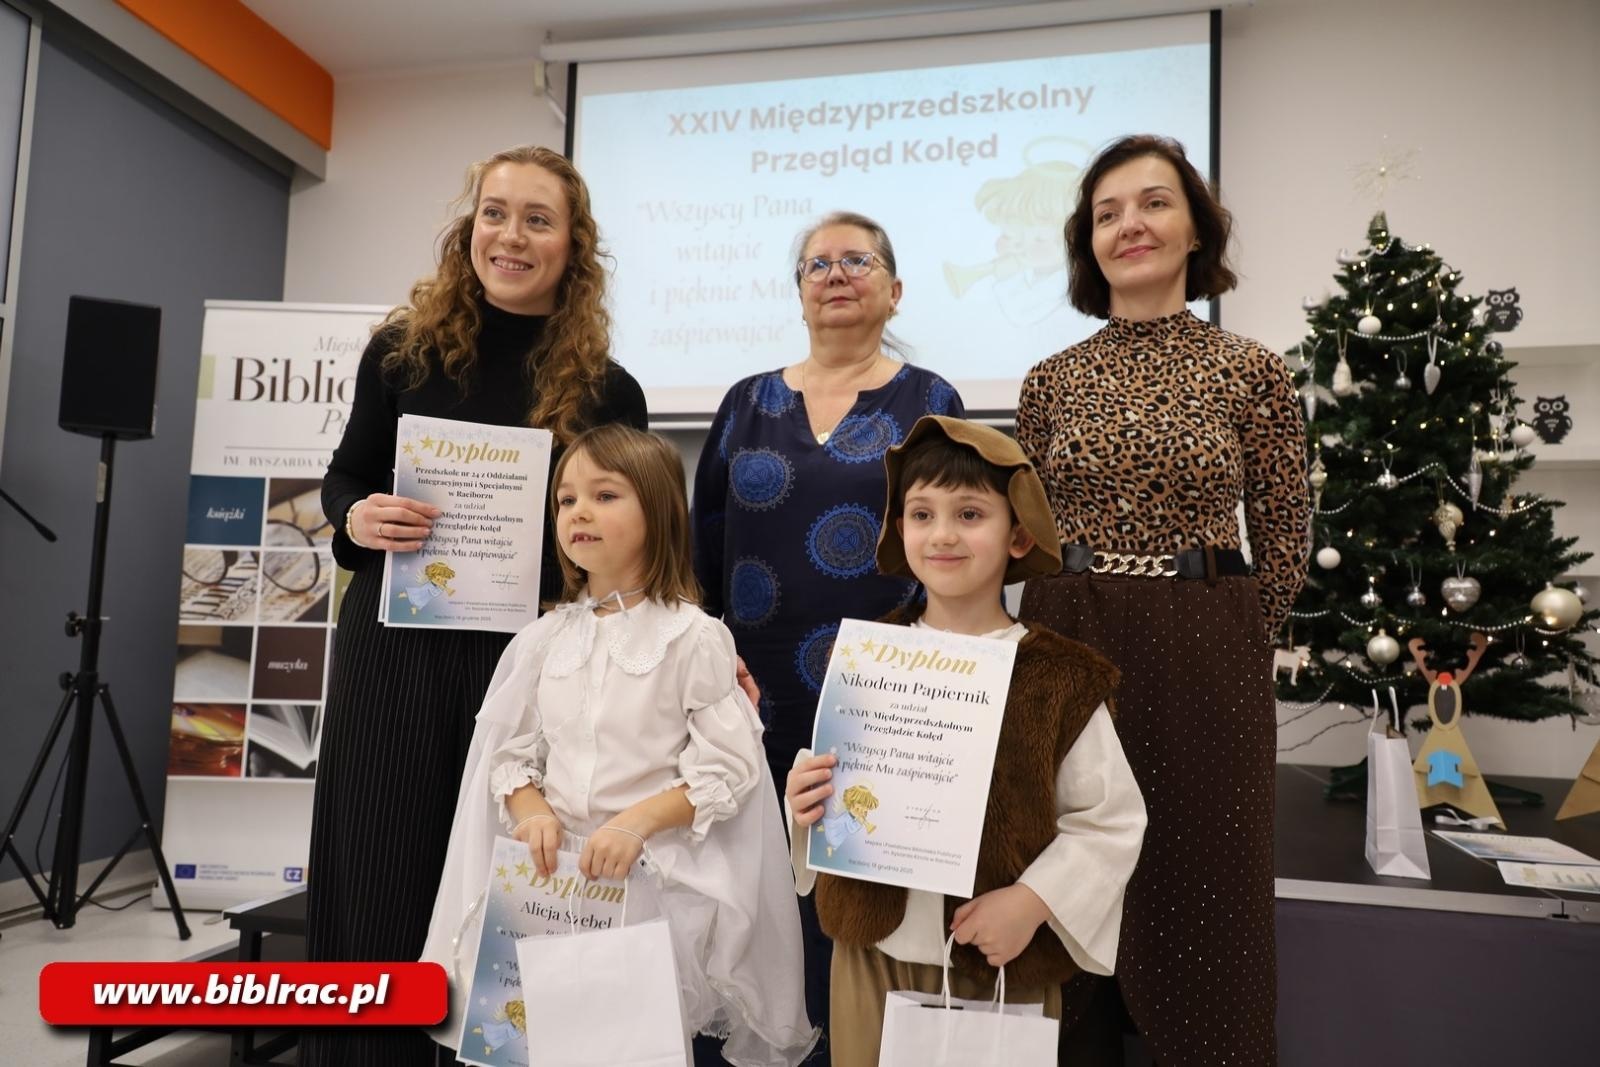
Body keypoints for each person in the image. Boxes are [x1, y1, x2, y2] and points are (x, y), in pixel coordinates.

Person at [307, 145, 648, 1067]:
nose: (511, 235)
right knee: (379, 876)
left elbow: (629, 541)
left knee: (514, 891)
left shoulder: (610, 390)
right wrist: (358, 515)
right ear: (470, 229)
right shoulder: (404, 350)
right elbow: (345, 479)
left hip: (533, 664)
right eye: (495, 213)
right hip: (396, 650)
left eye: (538, 219)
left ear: (574, 246)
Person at [1014, 134, 1310, 1065]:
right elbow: (1029, 531)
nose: (1129, 225)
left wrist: (1237, 635)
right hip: (1070, 634)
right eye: (1107, 214)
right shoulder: (1050, 380)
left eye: (1153, 204)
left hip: (1203, 642)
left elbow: (1287, 529)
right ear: (1087, 244)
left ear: (1194, 230)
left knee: (1204, 877)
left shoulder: (1250, 369)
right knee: (1064, 859)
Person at [423, 424, 817, 1066]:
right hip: (549, 890)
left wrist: (636, 824)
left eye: (604, 495)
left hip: (646, 889)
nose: (579, 511)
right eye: (565, 500)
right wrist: (532, 811)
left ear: (658, 510)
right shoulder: (541, 640)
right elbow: (511, 753)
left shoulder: (693, 637)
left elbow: (728, 767)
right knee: (535, 1044)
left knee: (629, 1048)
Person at [783, 415, 1147, 1067]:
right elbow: (840, 792)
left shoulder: (1061, 678)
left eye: (970, 513)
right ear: (899, 530)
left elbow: (1110, 821)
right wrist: (805, 800)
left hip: (997, 967)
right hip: (873, 956)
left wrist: (1032, 902)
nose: (943, 534)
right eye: (922, 514)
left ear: (1018, 535)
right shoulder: (869, 659)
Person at [691, 211, 964, 1058]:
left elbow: (955, 549)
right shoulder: (748, 400)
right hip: (750, 697)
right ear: (798, 289)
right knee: (745, 901)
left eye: (858, 260)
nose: (836, 274)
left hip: (883, 701)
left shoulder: (930, 400)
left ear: (894, 288)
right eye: (818, 263)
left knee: (851, 919)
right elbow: (703, 540)